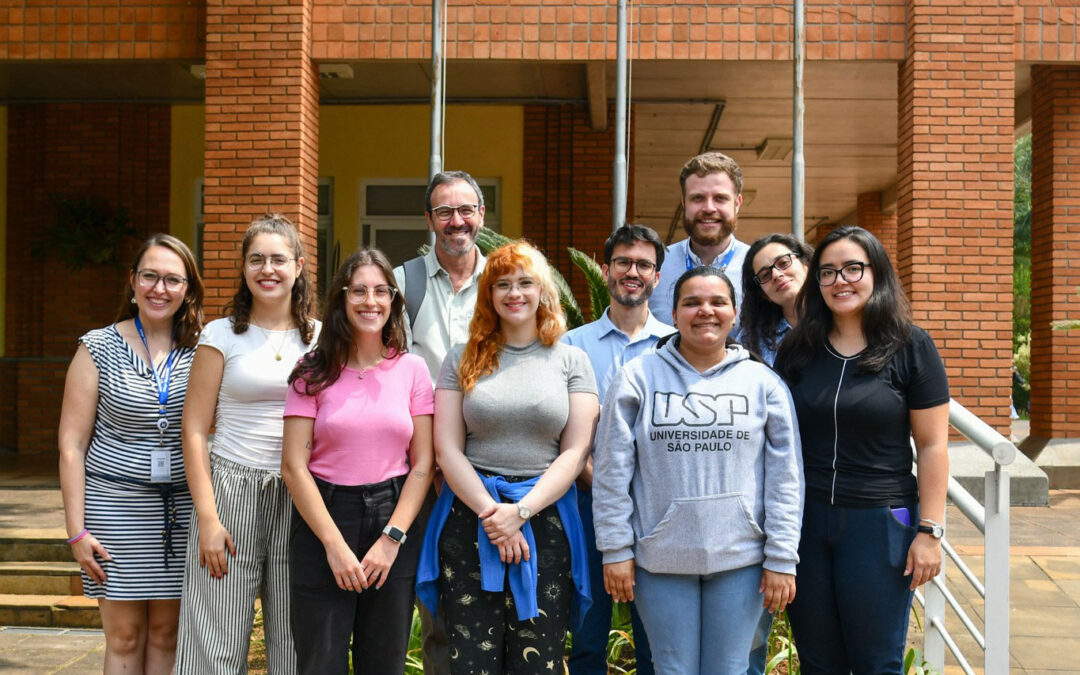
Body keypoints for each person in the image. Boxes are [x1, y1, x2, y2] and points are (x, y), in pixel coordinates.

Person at [593, 266, 804, 675]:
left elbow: (786, 479)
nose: (705, 311)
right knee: (672, 670)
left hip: (741, 559)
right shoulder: (637, 378)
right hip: (661, 559)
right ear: (673, 314)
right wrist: (616, 550)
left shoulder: (764, 384)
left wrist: (782, 557)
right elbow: (611, 472)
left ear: (735, 312)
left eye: (717, 302)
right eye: (691, 302)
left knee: (729, 670)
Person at [416, 241, 598, 674]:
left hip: (547, 521)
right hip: (471, 520)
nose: (514, 293)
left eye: (524, 283)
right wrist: (494, 516)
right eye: (502, 284)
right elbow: (447, 449)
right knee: (471, 661)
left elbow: (575, 452)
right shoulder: (460, 358)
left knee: (540, 659)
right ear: (489, 295)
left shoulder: (572, 360)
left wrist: (522, 511)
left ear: (542, 291)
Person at [774, 226, 950, 674]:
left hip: (880, 522)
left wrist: (930, 532)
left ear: (877, 273)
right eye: (828, 272)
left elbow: (932, 446)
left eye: (853, 268)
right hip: (806, 522)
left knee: (877, 662)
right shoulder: (798, 350)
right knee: (818, 662)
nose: (840, 281)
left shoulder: (912, 346)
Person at [176, 214, 320, 674]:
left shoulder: (321, 337)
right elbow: (195, 429)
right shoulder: (220, 335)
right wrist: (207, 517)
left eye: (279, 259)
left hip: (300, 493)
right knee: (214, 637)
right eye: (256, 259)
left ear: (298, 266)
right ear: (243, 267)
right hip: (230, 489)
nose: (267, 269)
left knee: (294, 637)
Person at [282, 249, 434, 673]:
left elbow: (423, 464)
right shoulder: (311, 370)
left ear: (393, 301)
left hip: (394, 517)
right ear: (341, 300)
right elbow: (294, 466)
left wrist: (391, 540)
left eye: (381, 291)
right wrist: (334, 547)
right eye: (359, 291)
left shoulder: (412, 370)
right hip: (325, 519)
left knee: (383, 664)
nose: (371, 301)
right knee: (321, 663)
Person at [58, 233, 204, 674]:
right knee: (124, 638)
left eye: (172, 280)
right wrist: (76, 532)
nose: (160, 289)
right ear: (132, 281)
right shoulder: (97, 347)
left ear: (188, 288)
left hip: (179, 512)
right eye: (150, 276)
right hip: (114, 510)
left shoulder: (203, 348)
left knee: (167, 636)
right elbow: (71, 444)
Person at [562, 224, 673, 675]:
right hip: (586, 502)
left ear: (657, 277)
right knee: (587, 638)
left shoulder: (674, 346)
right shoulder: (572, 345)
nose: (633, 272)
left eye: (644, 264)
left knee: (655, 644)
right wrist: (603, 485)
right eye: (623, 262)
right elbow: (562, 434)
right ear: (605, 270)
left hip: (657, 509)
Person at [393, 170, 488, 675]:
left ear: (481, 215)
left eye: (466, 209)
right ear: (429, 219)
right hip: (423, 472)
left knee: (500, 606)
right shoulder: (402, 283)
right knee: (437, 609)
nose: (457, 221)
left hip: (495, 466)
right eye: (445, 211)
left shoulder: (506, 282)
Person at [651, 152, 751, 327]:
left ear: (737, 204)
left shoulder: (758, 269)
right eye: (698, 198)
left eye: (720, 198)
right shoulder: (656, 265)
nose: (709, 208)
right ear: (684, 203)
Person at [738, 233, 814, 367]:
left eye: (784, 263)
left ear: (806, 264)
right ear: (763, 294)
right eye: (765, 274)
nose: (777, 275)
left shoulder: (843, 320)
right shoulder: (751, 342)